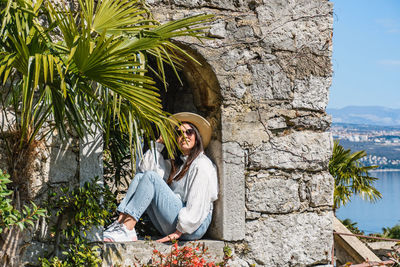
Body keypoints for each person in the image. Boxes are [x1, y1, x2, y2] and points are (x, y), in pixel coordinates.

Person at [103, 112, 218, 243]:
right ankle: (121, 224)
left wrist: (178, 232)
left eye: (189, 132)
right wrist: (159, 143)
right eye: (179, 133)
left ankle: (127, 229)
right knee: (142, 177)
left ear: (197, 137)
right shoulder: (180, 165)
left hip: (193, 227)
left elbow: (198, 203)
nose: (183, 136)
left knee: (151, 177)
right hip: (177, 221)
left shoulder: (201, 164)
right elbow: (144, 170)